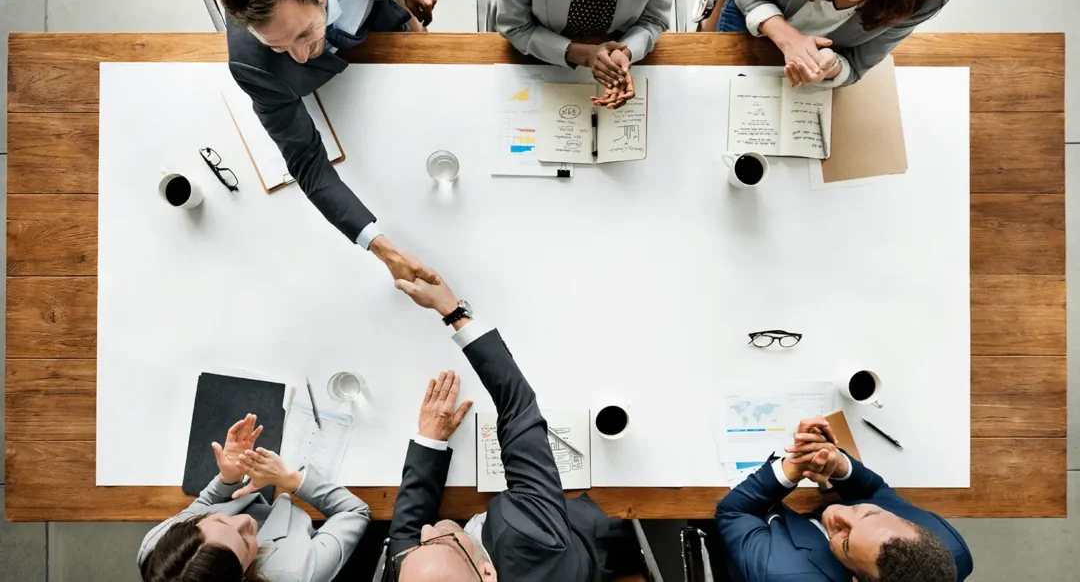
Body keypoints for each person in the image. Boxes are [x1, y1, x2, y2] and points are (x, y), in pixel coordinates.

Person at [384, 274, 649, 581]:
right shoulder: (531, 537)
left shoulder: (426, 566)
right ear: (486, 572)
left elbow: (405, 539)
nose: (426, 530)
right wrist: (452, 311)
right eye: (441, 542)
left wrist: (430, 441)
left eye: (420, 546)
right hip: (583, 540)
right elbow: (519, 408)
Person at [210, 0, 440, 283]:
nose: (301, 57)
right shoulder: (251, 65)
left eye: (303, 34)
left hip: (384, 15)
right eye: (278, 47)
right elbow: (308, 164)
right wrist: (386, 251)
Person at [715, 416, 973, 582]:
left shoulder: (780, 572)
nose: (838, 513)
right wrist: (836, 462)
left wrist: (793, 467)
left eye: (847, 541)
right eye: (870, 514)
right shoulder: (949, 547)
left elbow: (734, 512)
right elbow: (875, 492)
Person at [138, 414, 371, 581]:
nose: (244, 520)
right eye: (245, 542)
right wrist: (292, 480)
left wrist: (227, 479)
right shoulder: (297, 573)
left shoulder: (157, 546)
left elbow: (204, 504)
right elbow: (355, 512)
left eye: (220, 520)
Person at [716, 0, 950, 87]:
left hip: (805, 72)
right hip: (751, 17)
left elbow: (857, 66)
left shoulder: (926, 2)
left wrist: (830, 67)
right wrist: (790, 40)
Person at [489, 0, 674, 109]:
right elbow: (517, 26)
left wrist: (625, 52)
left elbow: (653, 20)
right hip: (539, 53)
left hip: (617, 40)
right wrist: (584, 55)